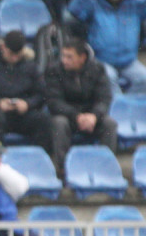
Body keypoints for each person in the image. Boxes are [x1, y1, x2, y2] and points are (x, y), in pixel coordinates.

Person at [69, 0, 146, 94]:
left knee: (143, 79)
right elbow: (74, 9)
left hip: (128, 61)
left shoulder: (135, 5)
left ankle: (132, 107)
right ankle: (116, 107)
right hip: (102, 61)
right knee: (109, 78)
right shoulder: (94, 5)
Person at [45, 38, 118, 173]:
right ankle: (63, 169)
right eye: (63, 56)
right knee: (59, 123)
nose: (64, 60)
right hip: (68, 116)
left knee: (110, 124)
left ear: (82, 58)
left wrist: (94, 116)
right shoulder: (54, 71)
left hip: (91, 117)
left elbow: (104, 98)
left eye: (69, 57)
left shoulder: (97, 69)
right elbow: (54, 102)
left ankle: (106, 167)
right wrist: (76, 116)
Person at [0, 30, 54, 147]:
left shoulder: (31, 67)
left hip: (23, 113)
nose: (14, 58)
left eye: (18, 55)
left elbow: (41, 94)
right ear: (3, 47)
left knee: (43, 120)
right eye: (11, 54)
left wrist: (28, 104)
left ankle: (40, 154)